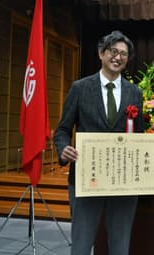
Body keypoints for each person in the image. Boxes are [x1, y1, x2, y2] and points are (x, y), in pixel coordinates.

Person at [54, 30, 144, 255]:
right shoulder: (80, 88)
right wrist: (63, 149)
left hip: (123, 182)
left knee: (120, 245)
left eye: (124, 54)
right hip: (87, 178)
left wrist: (150, 157)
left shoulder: (135, 93)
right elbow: (63, 129)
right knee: (82, 244)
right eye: (113, 51)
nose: (118, 57)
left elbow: (139, 136)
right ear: (101, 53)